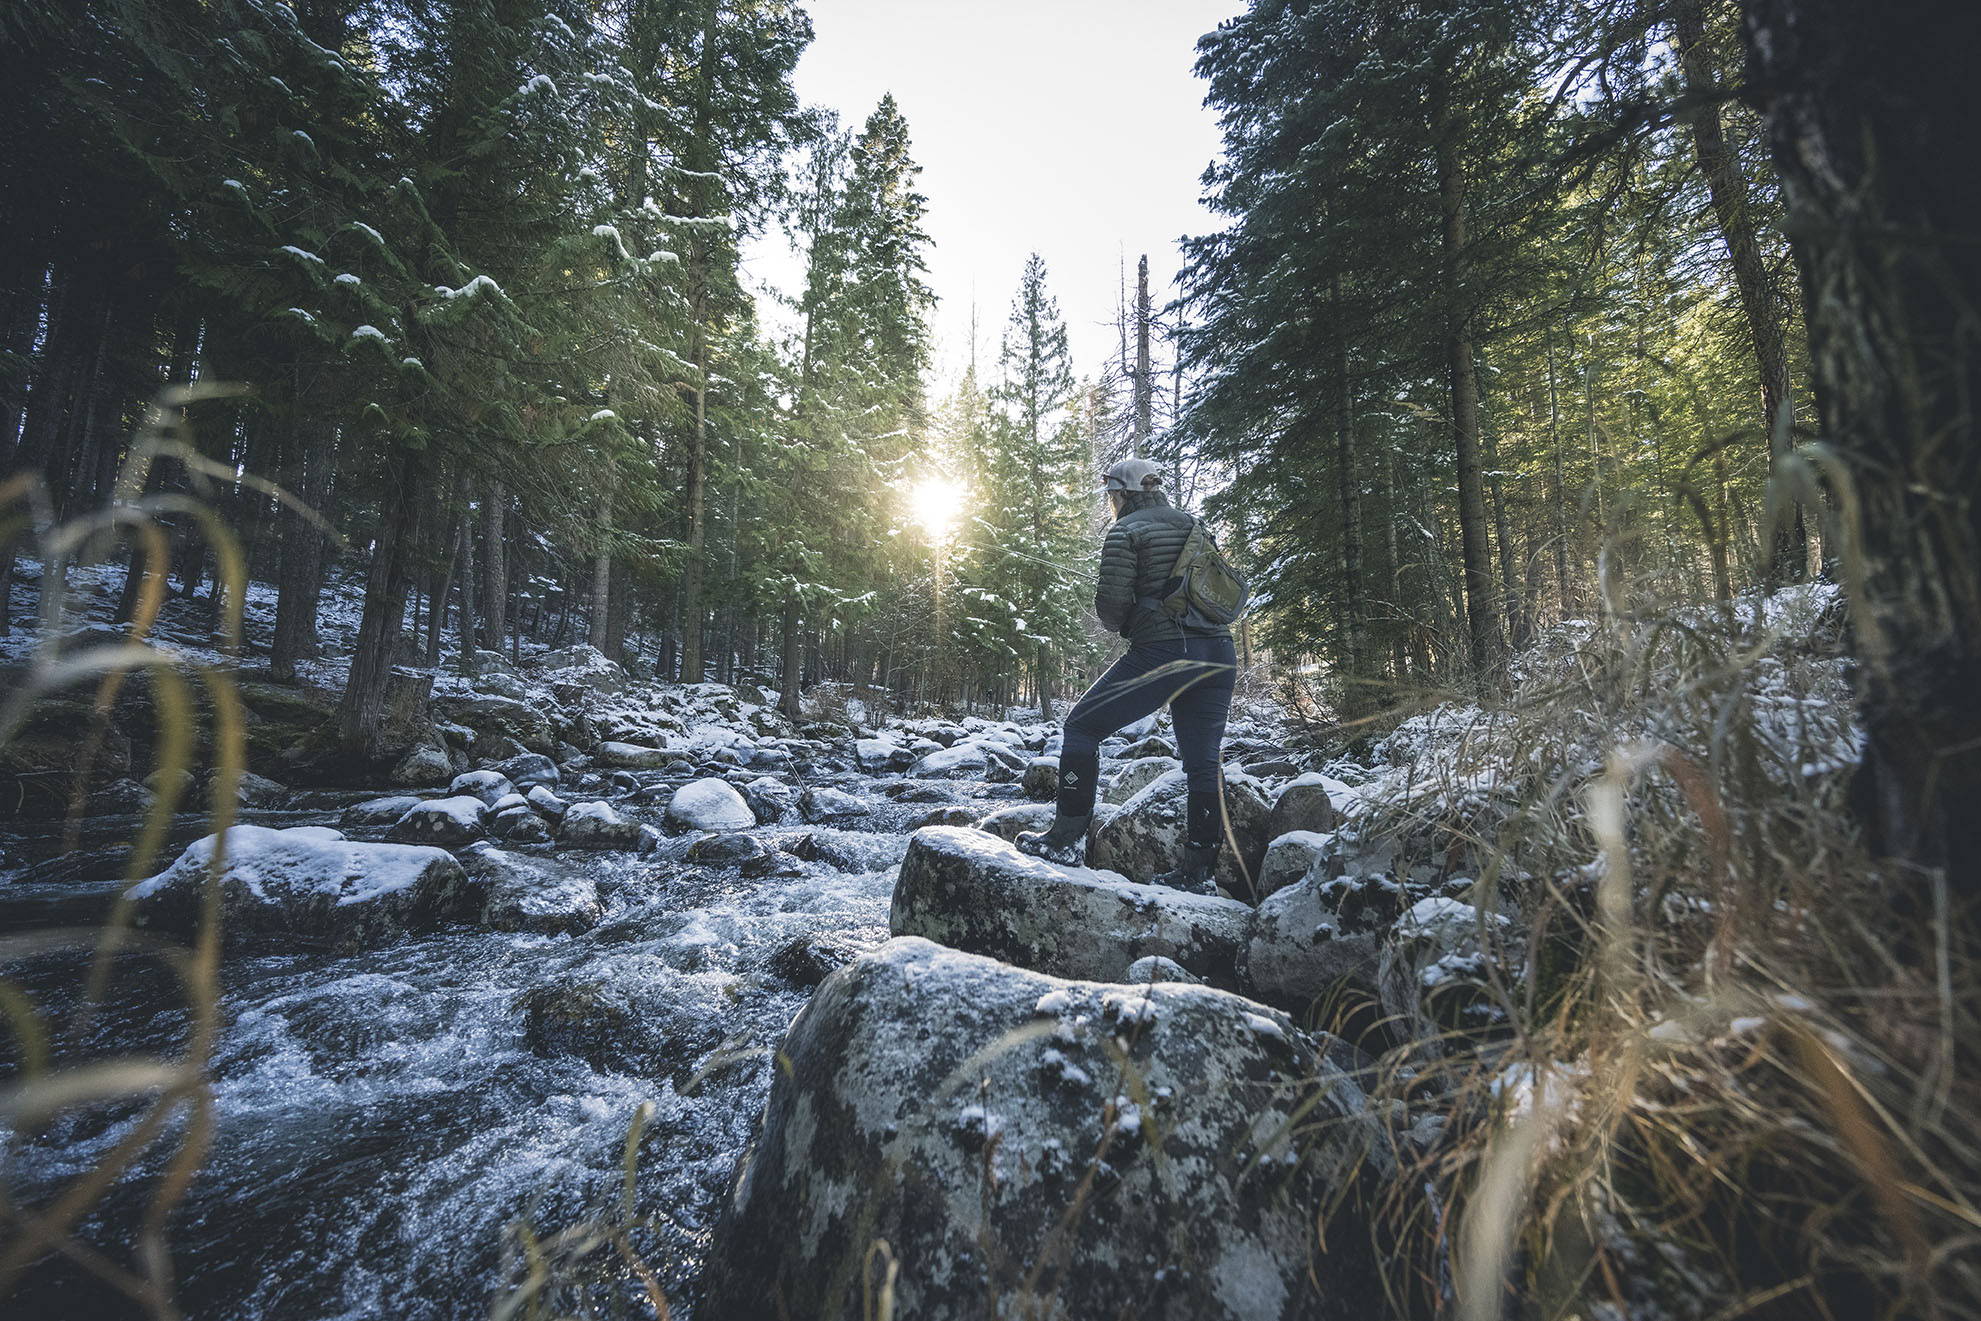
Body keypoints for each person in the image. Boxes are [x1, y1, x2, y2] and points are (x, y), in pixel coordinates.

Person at [1016, 457, 1238, 893]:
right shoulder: (1194, 524)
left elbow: (1112, 609)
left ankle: (1066, 840)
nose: (1111, 502)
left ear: (1123, 493)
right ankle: (1199, 873)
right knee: (1203, 764)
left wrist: (1131, 616)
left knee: (1081, 728)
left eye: (1112, 495)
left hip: (1166, 653)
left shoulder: (1126, 531)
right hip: (1219, 654)